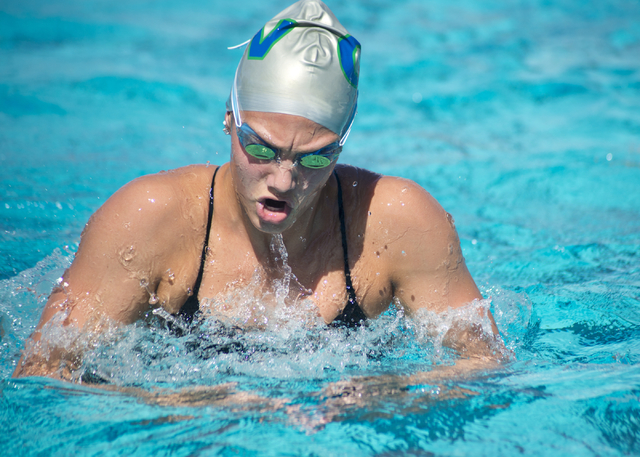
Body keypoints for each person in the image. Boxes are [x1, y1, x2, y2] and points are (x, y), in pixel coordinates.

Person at [13, 0, 501, 380]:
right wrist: (194, 405)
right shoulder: (150, 220)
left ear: (343, 145)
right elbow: (43, 373)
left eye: (315, 157)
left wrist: (380, 398)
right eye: (261, 149)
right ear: (230, 117)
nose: (285, 180)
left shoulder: (396, 222)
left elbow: (485, 368)